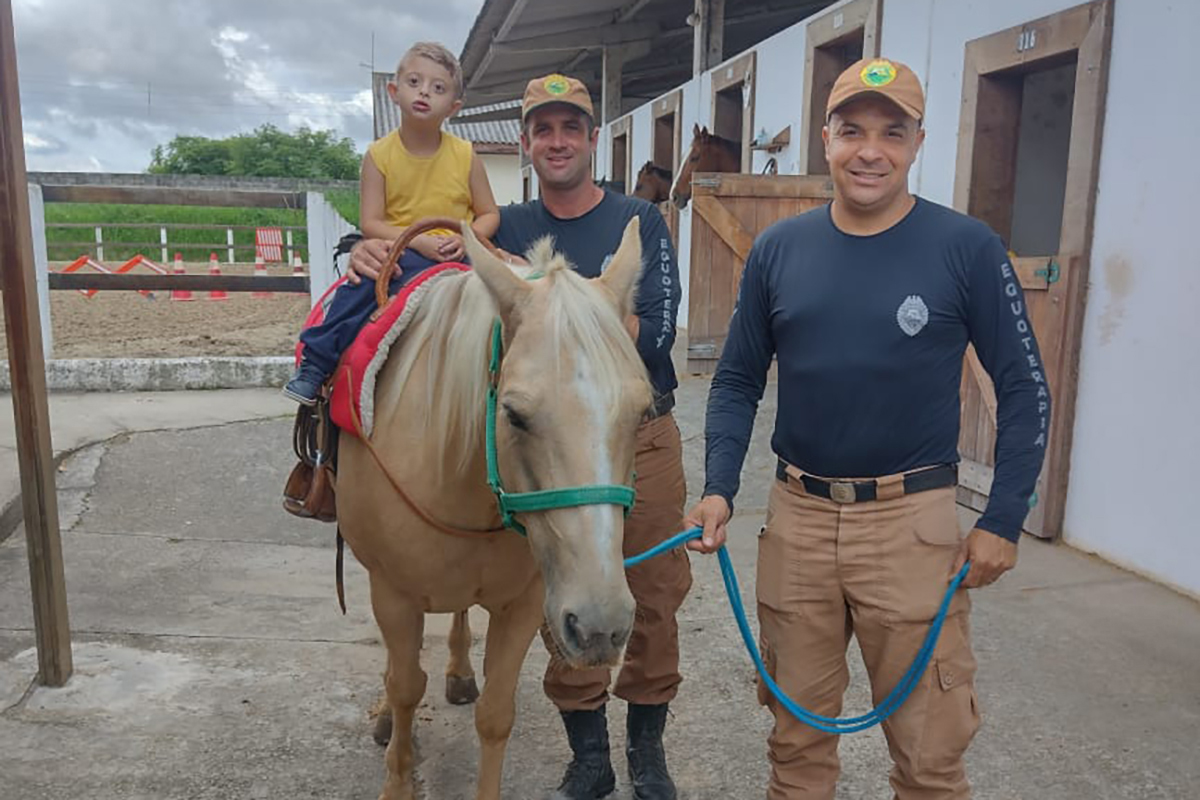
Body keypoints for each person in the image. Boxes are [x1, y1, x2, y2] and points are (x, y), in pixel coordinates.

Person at [685, 58, 1051, 799]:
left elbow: (1024, 388)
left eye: (892, 131)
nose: (870, 150)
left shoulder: (966, 248)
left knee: (929, 760)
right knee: (795, 749)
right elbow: (734, 381)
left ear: (918, 142)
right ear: (826, 138)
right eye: (852, 130)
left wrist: (1004, 518)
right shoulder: (780, 252)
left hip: (911, 528)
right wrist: (718, 489)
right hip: (798, 526)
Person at [348, 73, 691, 800]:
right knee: (555, 587)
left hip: (636, 432)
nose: (558, 140)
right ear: (527, 144)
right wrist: (366, 252)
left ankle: (649, 755)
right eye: (544, 129)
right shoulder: (502, 227)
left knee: (652, 596)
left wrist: (572, 311)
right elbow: (446, 287)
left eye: (573, 127)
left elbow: (655, 338)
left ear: (595, 139)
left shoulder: (638, 222)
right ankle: (589, 755)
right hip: (542, 439)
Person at [282, 41, 499, 405]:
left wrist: (468, 236)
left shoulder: (466, 155)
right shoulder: (378, 156)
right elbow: (372, 222)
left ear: (454, 107)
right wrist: (415, 241)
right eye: (415, 81)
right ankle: (316, 363)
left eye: (439, 88)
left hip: (456, 254)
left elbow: (490, 213)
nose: (425, 92)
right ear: (394, 92)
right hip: (401, 252)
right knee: (358, 287)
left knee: (510, 292)